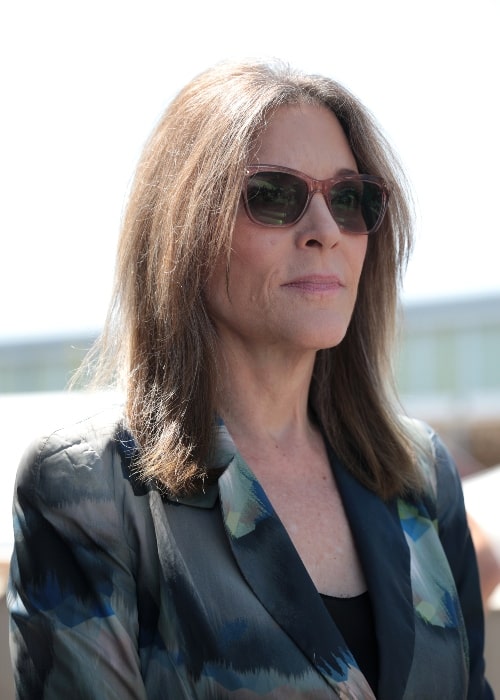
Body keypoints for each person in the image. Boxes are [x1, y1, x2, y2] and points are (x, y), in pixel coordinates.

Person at [8, 60, 493, 699]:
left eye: (349, 199)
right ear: (185, 230)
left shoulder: (421, 476)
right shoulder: (86, 488)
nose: (325, 232)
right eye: (273, 195)